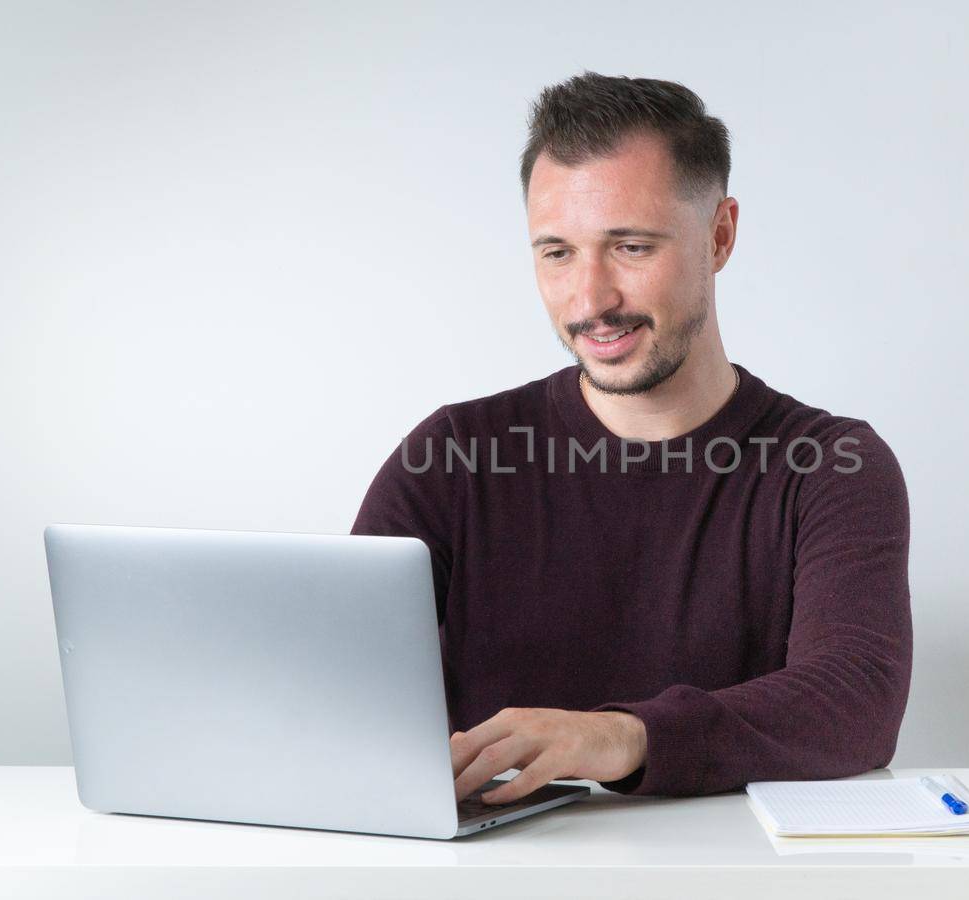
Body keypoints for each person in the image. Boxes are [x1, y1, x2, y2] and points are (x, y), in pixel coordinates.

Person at [351, 71, 912, 805]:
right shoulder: (449, 456)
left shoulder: (831, 467)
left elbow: (855, 703)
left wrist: (624, 736)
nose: (591, 300)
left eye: (632, 248)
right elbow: (337, 685)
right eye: (557, 253)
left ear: (720, 235)